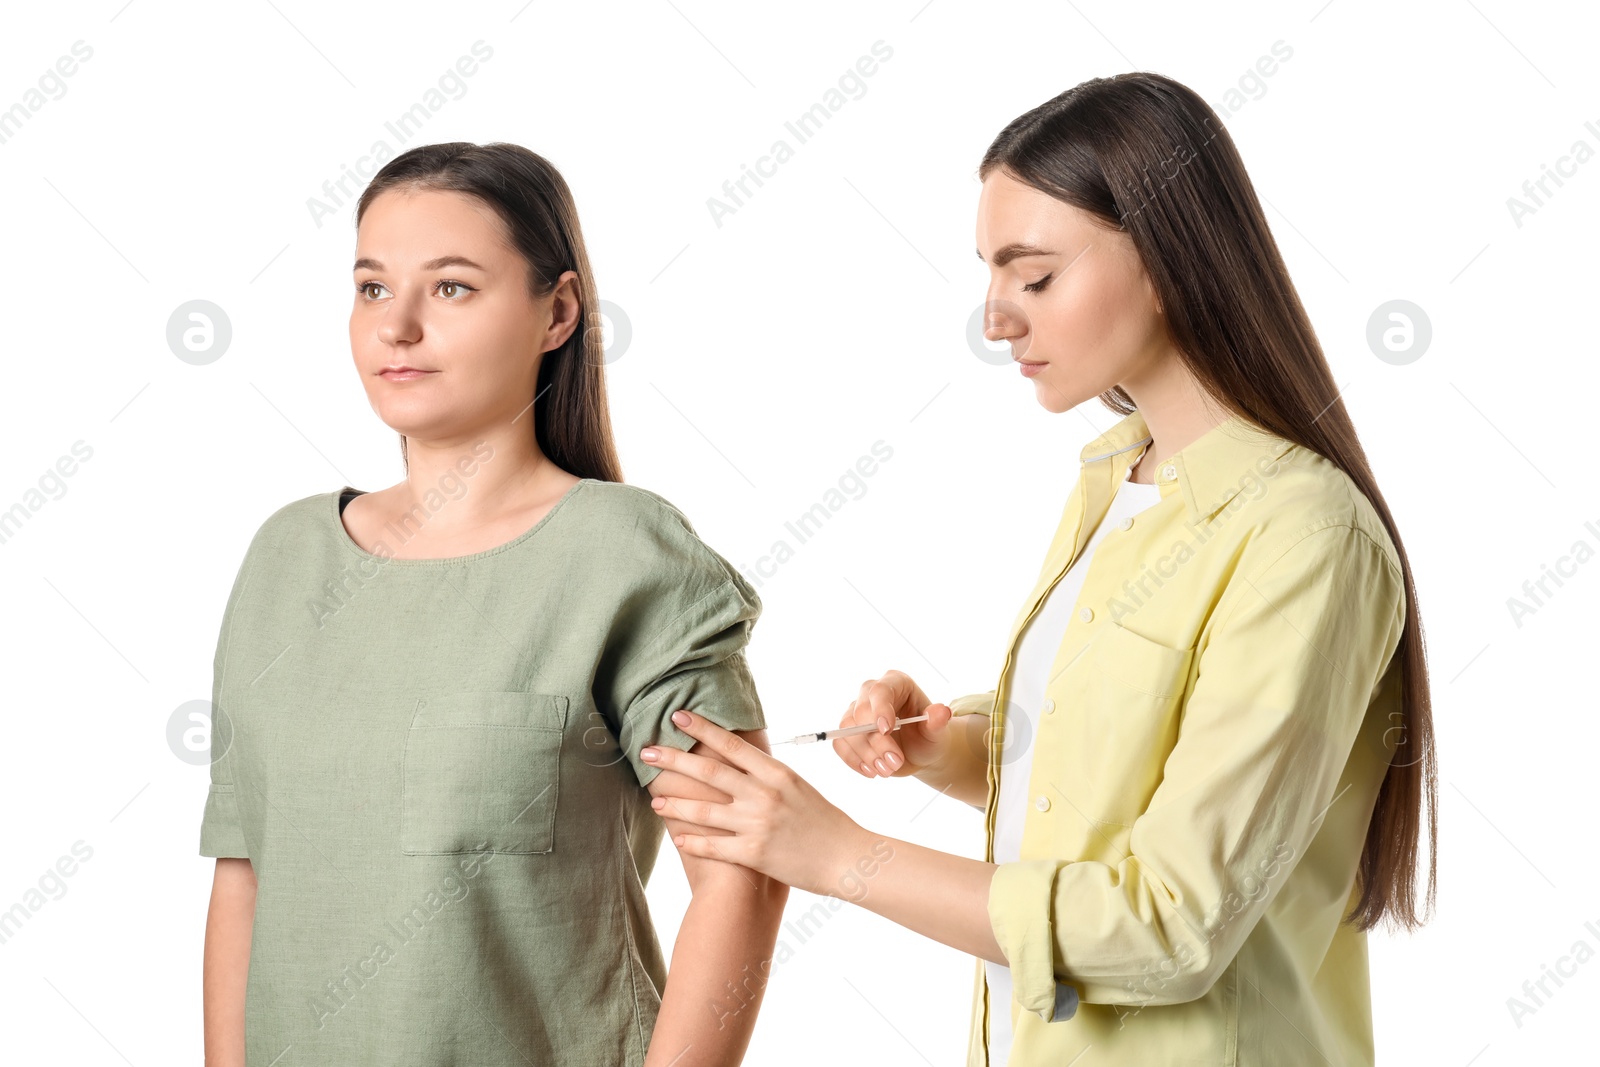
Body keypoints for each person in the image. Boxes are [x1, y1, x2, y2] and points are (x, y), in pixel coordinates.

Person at [643, 72, 1438, 1066]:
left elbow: (1168, 926)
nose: (995, 320)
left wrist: (836, 854)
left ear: (1164, 260)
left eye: (1035, 276)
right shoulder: (1118, 479)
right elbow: (1119, 762)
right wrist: (951, 742)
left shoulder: (1304, 535)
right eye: (990, 275)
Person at [198, 141, 787, 1067]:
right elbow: (245, 873)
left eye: (453, 288)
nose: (398, 327)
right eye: (372, 288)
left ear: (556, 312)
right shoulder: (285, 558)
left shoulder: (625, 556)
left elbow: (742, 874)